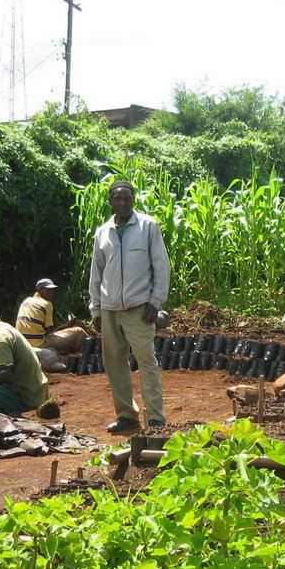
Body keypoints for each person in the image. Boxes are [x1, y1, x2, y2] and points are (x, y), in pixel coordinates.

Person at [89, 180, 171, 432]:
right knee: (115, 364)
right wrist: (96, 308)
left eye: (127, 199)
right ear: (111, 201)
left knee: (147, 362)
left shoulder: (148, 227)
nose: (122, 203)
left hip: (139, 308)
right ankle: (126, 415)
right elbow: (96, 272)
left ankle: (155, 417)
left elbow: (161, 266)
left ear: (133, 200)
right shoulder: (103, 232)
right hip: (110, 309)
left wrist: (155, 302)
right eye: (117, 199)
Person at [15, 277, 89, 359]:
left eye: (52, 291)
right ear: (39, 290)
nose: (51, 293)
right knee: (79, 331)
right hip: (39, 345)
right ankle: (83, 357)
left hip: (22, 344)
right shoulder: (47, 304)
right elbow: (49, 331)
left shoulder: (26, 301)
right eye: (48, 290)